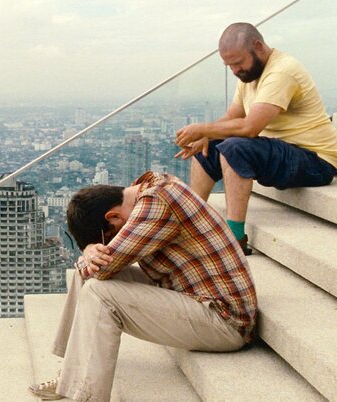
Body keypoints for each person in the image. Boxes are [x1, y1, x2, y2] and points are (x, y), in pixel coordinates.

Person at [28, 172, 256, 401]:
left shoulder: (157, 204)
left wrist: (89, 252)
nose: (111, 243)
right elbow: (92, 269)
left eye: (108, 238)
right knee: (85, 277)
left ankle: (87, 396)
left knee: (98, 289)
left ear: (113, 217)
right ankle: (71, 371)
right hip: (190, 295)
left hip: (224, 322)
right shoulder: (146, 187)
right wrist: (89, 251)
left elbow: (102, 268)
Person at [176, 22, 337, 253]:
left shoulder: (282, 71)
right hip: (282, 152)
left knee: (236, 148)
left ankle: (235, 239)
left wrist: (203, 129)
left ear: (258, 46)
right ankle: (189, 224)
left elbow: (250, 127)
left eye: (238, 63)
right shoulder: (249, 75)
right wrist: (206, 135)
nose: (235, 71)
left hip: (316, 161)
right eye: (229, 66)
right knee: (208, 146)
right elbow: (233, 116)